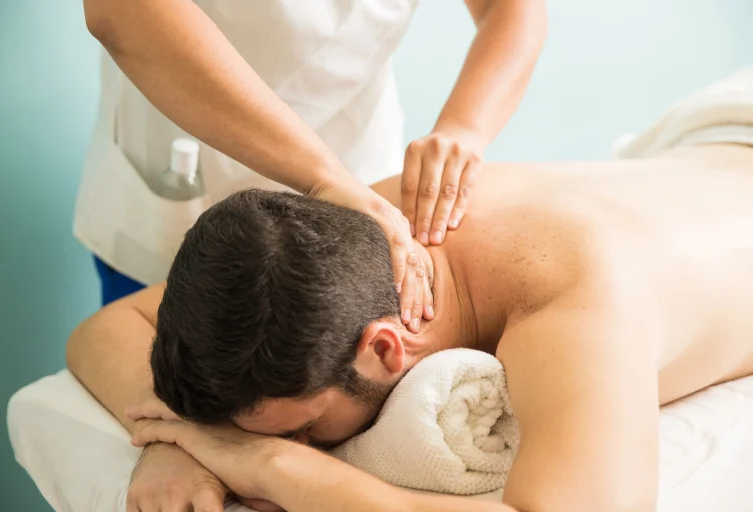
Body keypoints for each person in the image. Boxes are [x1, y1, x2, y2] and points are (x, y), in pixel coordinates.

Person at [68, 137, 753, 511]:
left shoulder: (572, 302)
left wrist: (271, 464)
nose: (307, 444)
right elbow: (104, 328)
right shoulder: (362, 233)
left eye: (306, 427)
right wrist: (172, 439)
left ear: (386, 347)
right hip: (703, 146)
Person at [76, 0, 548, 336]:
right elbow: (121, 10)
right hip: (186, 167)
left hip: (360, 167)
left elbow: (512, 7)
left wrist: (466, 125)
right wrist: (324, 178)